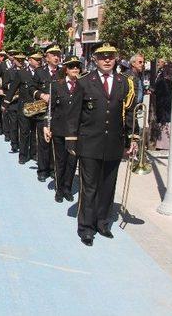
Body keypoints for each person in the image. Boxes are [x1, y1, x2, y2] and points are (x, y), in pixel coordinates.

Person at [66, 43, 136, 247]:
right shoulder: (85, 82)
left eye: (111, 56)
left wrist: (133, 139)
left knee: (108, 185)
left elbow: (130, 113)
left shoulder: (125, 83)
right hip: (89, 142)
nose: (107, 60)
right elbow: (74, 113)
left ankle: (102, 222)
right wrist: (72, 138)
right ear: (95, 59)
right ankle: (86, 228)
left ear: (115, 58)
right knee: (89, 187)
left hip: (114, 143)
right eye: (103, 56)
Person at [43, 56, 81, 203]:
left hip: (75, 131)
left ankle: (67, 188)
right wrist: (47, 126)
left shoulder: (83, 86)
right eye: (72, 66)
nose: (75, 69)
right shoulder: (56, 85)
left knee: (72, 161)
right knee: (60, 160)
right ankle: (59, 190)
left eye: (77, 66)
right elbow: (50, 108)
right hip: (59, 129)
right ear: (66, 69)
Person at [31, 44, 63, 182]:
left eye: (58, 54)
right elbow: (31, 88)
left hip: (59, 113)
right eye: (54, 54)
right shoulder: (40, 72)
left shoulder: (63, 71)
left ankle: (52, 169)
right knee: (44, 142)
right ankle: (42, 169)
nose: (57, 57)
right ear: (47, 57)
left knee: (56, 142)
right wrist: (41, 95)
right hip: (43, 112)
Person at [154, 63, 172, 150]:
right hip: (167, 104)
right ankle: (165, 143)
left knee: (163, 121)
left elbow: (156, 92)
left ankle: (162, 144)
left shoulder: (162, 82)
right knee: (166, 121)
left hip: (163, 104)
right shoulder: (171, 82)